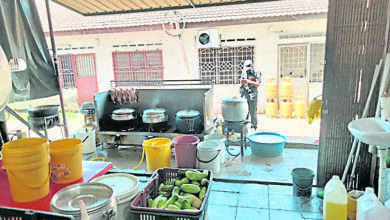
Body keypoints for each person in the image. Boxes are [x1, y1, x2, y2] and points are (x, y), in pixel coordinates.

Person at [240, 60, 261, 130]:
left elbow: (258, 84)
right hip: (245, 93)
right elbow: (241, 83)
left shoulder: (257, 73)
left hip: (253, 94)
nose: (247, 71)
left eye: (248, 68)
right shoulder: (244, 72)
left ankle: (253, 126)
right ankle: (243, 126)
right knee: (244, 111)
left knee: (252, 111)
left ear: (252, 67)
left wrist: (248, 81)